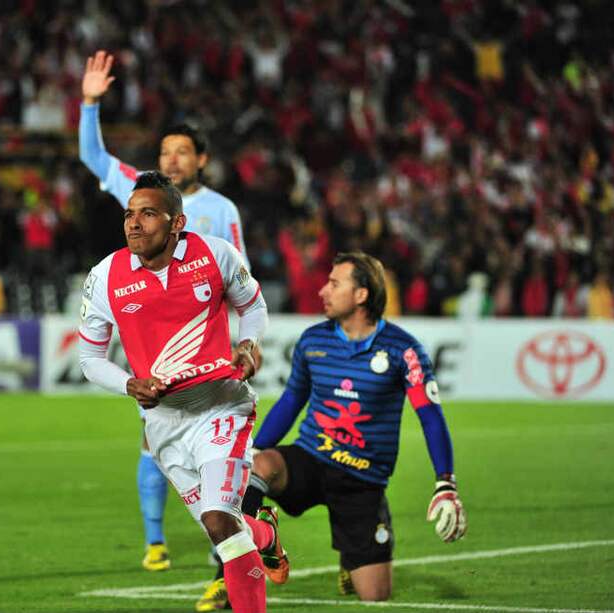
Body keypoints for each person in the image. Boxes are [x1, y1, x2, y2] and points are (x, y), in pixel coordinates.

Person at [202, 251, 467, 605]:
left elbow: (430, 416)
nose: (323, 291)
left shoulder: (404, 350)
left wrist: (445, 483)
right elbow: (291, 402)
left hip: (363, 479)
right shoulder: (314, 341)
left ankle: (352, 553)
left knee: (375, 597)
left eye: (334, 283)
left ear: (361, 295)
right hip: (311, 458)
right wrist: (251, 449)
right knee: (254, 468)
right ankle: (230, 578)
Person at [79, 171, 287, 613]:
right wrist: (129, 384)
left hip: (221, 406)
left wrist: (249, 344)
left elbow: (253, 308)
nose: (134, 224)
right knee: (225, 527)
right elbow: (90, 359)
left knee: (221, 524)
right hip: (163, 423)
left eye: (148, 214)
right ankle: (265, 534)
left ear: (177, 223)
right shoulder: (105, 277)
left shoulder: (215, 255)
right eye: (129, 215)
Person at [79, 49, 249, 572]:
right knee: (154, 440)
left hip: (211, 356)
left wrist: (247, 338)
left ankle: (227, 549)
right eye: (165, 151)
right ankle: (158, 541)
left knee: (214, 455)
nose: (171, 160)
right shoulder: (141, 195)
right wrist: (89, 104)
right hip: (154, 348)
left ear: (201, 160)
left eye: (182, 152)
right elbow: (94, 158)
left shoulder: (221, 213)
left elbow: (238, 282)